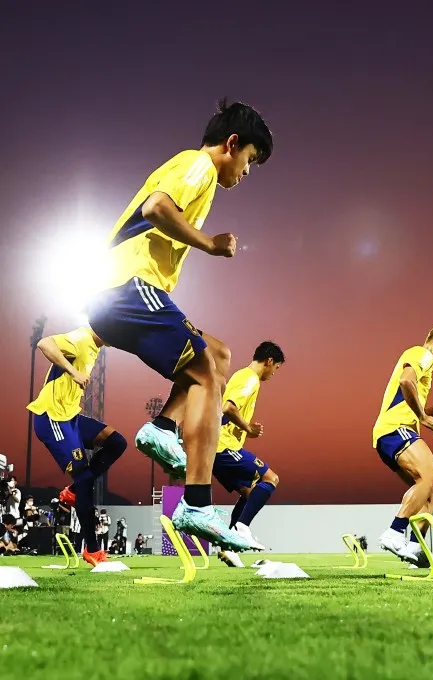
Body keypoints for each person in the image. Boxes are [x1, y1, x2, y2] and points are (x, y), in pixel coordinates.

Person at [86, 99, 273, 551]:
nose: (247, 172)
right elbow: (156, 207)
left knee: (220, 355)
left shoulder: (202, 180)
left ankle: (162, 430)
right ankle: (196, 502)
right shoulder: (199, 166)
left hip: (125, 294)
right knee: (209, 371)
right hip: (126, 286)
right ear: (232, 144)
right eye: (250, 159)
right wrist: (209, 243)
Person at [26, 327, 127, 566]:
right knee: (84, 479)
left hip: (71, 417)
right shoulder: (81, 339)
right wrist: (73, 371)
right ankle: (92, 549)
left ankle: (72, 490)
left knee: (116, 442)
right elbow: (44, 344)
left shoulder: (94, 347)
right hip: (52, 418)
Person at [372, 324, 433, 566]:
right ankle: (394, 532)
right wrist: (422, 416)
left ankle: (413, 549)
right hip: (394, 429)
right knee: (431, 477)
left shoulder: (424, 364)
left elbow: (406, 395)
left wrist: (428, 409)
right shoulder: (423, 355)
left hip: (391, 434)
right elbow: (406, 382)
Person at [212, 342, 285, 566]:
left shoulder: (242, 376)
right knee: (271, 478)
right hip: (223, 447)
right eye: (277, 368)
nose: (274, 373)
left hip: (219, 447)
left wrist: (244, 430)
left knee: (250, 493)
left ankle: (229, 548)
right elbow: (228, 407)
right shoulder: (249, 378)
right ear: (269, 361)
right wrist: (248, 428)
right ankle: (242, 529)